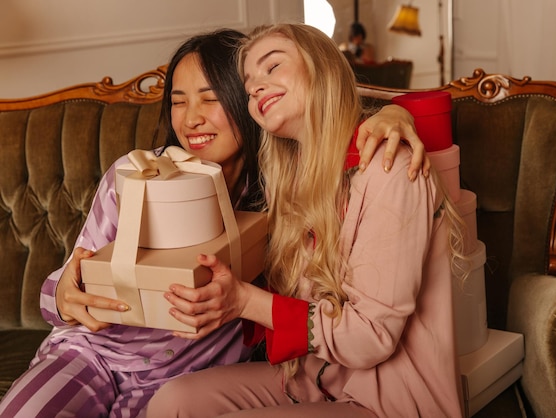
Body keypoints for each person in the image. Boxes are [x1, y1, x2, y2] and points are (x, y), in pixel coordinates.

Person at [0, 29, 428, 418]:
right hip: (90, 354)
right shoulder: (135, 177)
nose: (190, 120)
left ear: (251, 104)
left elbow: (329, 115)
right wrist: (62, 296)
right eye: (179, 102)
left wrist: (396, 114)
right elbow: (66, 281)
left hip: (181, 380)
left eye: (210, 98)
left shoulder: (280, 196)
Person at [146, 23, 466, 418]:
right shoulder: (287, 177)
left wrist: (244, 301)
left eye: (272, 66)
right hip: (309, 381)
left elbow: (370, 337)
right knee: (171, 403)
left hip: (388, 402)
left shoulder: (390, 167)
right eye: (248, 86)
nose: (257, 87)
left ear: (321, 69)